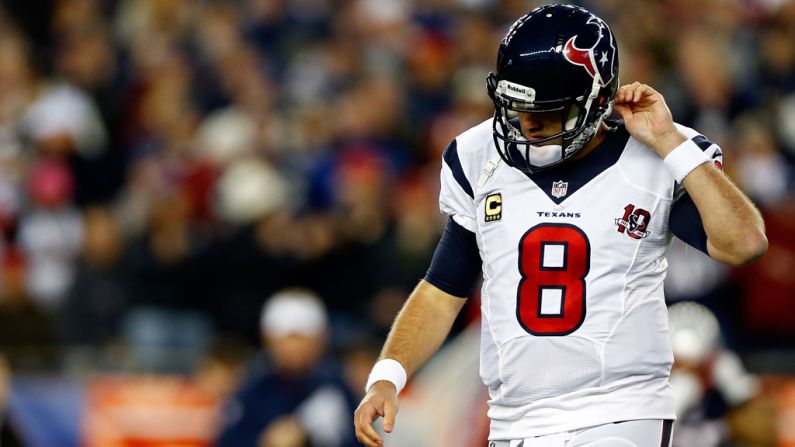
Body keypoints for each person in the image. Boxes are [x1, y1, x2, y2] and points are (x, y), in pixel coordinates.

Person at [354, 4, 767, 447]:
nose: (528, 126)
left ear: (598, 101)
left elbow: (743, 243)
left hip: (622, 411)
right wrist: (387, 376)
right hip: (514, 419)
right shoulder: (478, 157)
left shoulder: (654, 156)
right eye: (516, 108)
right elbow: (441, 291)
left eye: (548, 113)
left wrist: (671, 144)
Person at [215, 288, 358, 447]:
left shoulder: (336, 387)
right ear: (268, 339)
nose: (293, 348)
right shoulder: (253, 387)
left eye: (302, 338)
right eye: (286, 339)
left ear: (320, 339)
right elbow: (229, 439)